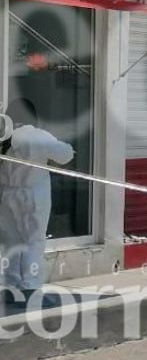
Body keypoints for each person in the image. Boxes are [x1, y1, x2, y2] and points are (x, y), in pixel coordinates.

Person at [0, 98, 74, 306]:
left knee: (10, 242)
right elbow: (66, 155)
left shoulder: (5, 137)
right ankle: (30, 289)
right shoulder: (39, 136)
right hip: (32, 196)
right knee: (33, 241)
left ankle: (10, 288)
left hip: (7, 196)